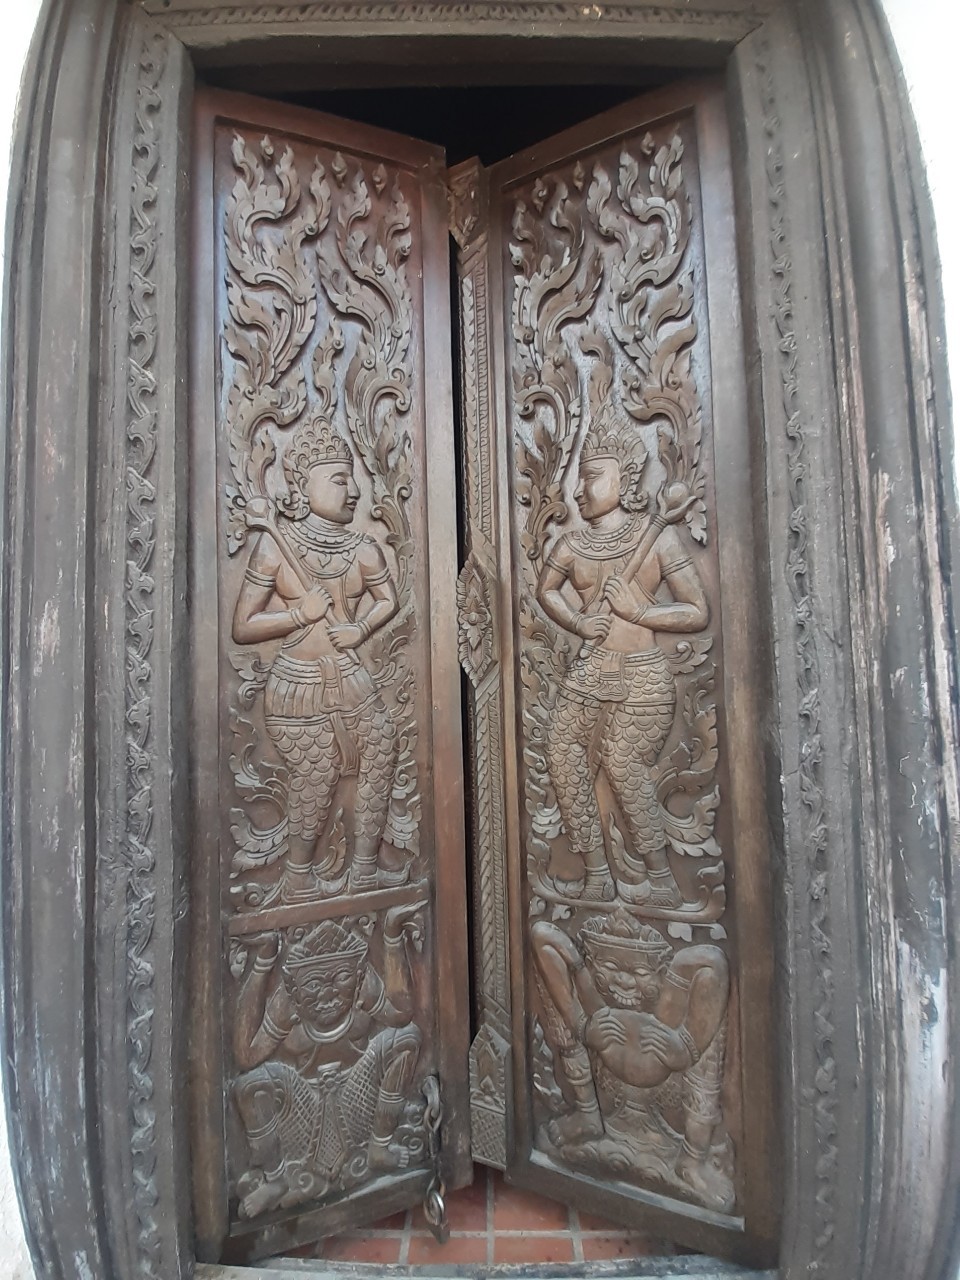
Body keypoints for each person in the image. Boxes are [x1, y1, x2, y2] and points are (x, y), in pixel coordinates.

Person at [536, 418, 708, 904]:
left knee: (623, 764)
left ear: (627, 479)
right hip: (591, 667)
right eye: (579, 478)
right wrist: (578, 622)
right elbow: (546, 590)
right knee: (562, 753)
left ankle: (661, 880)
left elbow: (697, 610)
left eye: (592, 476)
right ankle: (596, 873)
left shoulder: (657, 538)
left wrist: (640, 612)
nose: (579, 489)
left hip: (642, 673)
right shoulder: (572, 544)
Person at [233, 416, 402, 899]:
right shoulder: (274, 546)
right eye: (340, 479)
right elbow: (243, 626)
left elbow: (388, 600)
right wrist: (298, 615)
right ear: (303, 489)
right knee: (317, 770)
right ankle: (298, 877)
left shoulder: (363, 549)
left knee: (382, 748)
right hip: (297, 685)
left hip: (350, 676)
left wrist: (359, 629)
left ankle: (364, 869)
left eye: (352, 479)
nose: (354, 491)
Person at [532, 909, 734, 1213]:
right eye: (611, 968)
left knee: (709, 1038)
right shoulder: (594, 1002)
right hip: (601, 1036)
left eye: (639, 972)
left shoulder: (669, 1007)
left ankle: (693, 1158)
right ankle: (587, 1113)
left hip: (667, 1051)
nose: (624, 981)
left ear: (661, 974)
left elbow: (713, 962)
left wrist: (687, 1046)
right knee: (563, 1014)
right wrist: (581, 1021)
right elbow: (543, 937)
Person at [232, 904, 424, 1218]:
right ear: (294, 989)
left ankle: (379, 1145)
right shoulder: (286, 1002)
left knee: (406, 1038)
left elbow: (400, 1014)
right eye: (313, 985)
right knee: (250, 1084)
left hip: (359, 1094)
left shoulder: (364, 984)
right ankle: (275, 1178)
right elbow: (246, 1055)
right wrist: (263, 962)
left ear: (357, 976)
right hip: (301, 1103)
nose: (327, 994)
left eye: (341, 978)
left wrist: (391, 937)